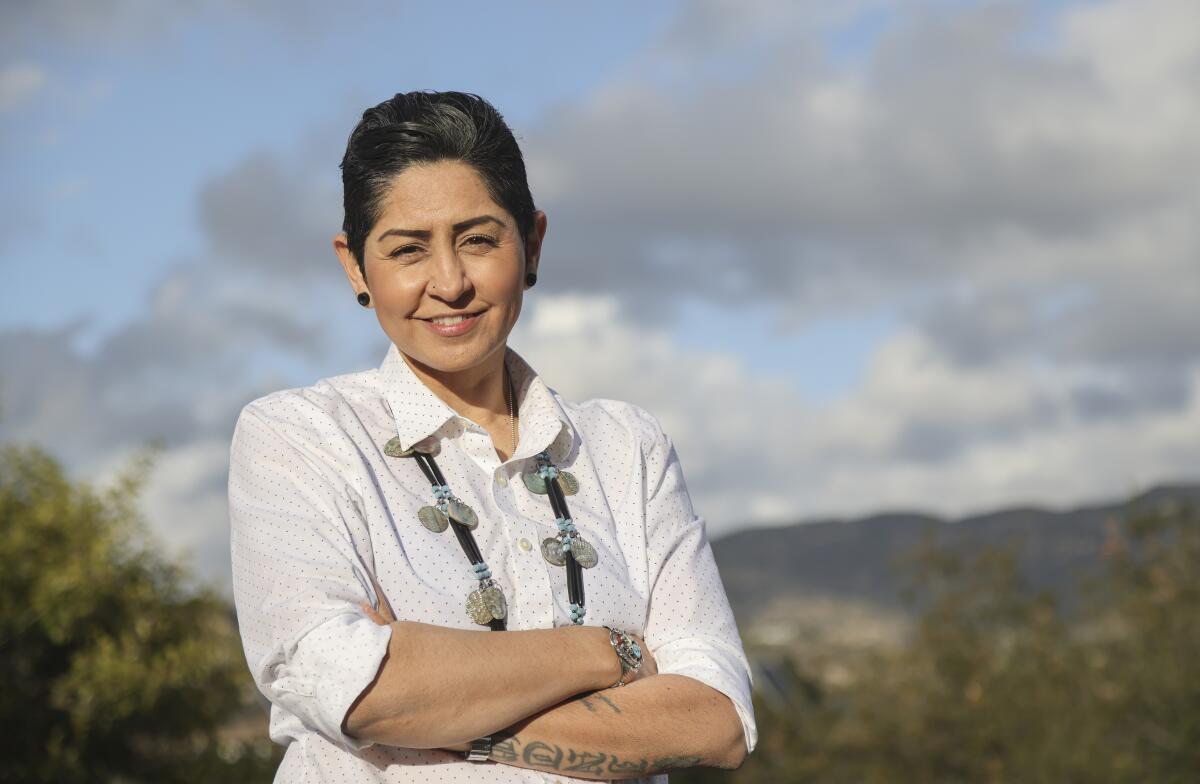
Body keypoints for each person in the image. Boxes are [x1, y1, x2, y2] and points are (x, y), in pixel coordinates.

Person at [228, 90, 757, 783]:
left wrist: (431, 705)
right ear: (355, 265)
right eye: (407, 250)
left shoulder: (627, 448)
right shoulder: (302, 438)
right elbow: (354, 688)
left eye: (478, 240)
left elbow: (715, 720)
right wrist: (610, 653)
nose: (448, 282)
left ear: (532, 242)